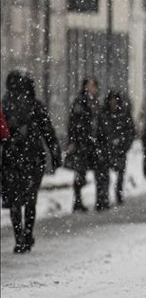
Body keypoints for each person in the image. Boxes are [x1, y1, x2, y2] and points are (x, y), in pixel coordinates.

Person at [1, 69, 61, 253]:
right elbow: (48, 131)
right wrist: (55, 152)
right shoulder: (36, 105)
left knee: (15, 199)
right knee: (30, 198)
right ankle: (28, 233)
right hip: (33, 157)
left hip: (11, 157)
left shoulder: (5, 105)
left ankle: (19, 236)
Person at [65, 76, 101, 212]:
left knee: (92, 172)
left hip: (91, 143)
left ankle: (97, 199)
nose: (92, 89)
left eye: (94, 86)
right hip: (83, 143)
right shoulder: (81, 102)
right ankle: (78, 200)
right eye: (90, 85)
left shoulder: (95, 102)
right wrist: (73, 141)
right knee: (80, 172)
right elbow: (74, 123)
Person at [97, 91, 136, 205]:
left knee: (120, 173)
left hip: (119, 149)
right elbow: (100, 132)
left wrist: (124, 145)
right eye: (111, 99)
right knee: (105, 174)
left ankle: (118, 193)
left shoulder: (123, 114)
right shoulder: (104, 114)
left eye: (115, 99)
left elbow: (130, 131)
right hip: (107, 148)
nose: (113, 102)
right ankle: (104, 197)